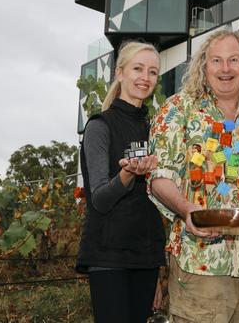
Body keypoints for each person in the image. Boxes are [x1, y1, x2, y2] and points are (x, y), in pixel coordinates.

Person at [148, 29, 239, 323]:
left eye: (233, 60)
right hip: (200, 262)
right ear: (204, 65)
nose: (225, 69)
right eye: (216, 60)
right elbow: (159, 177)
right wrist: (187, 209)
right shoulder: (178, 111)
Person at [76, 41, 166, 323]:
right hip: (109, 256)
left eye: (152, 72)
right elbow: (100, 199)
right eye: (138, 69)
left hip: (146, 257)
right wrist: (127, 174)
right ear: (120, 73)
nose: (145, 77)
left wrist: (158, 265)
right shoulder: (100, 126)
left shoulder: (157, 129)